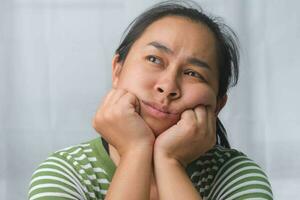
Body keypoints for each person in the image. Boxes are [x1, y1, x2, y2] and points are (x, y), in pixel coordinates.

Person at [28, 1, 273, 199]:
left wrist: (170, 162)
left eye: (193, 73)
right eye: (154, 59)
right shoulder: (66, 172)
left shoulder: (237, 175)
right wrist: (135, 151)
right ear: (117, 69)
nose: (167, 87)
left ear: (218, 104)